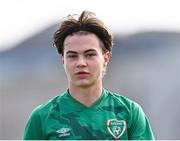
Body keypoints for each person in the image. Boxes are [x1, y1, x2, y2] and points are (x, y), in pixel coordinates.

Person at [23, 10, 155, 140]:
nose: (81, 63)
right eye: (72, 56)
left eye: (90, 54)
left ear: (106, 58)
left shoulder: (130, 113)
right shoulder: (42, 118)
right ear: (63, 60)